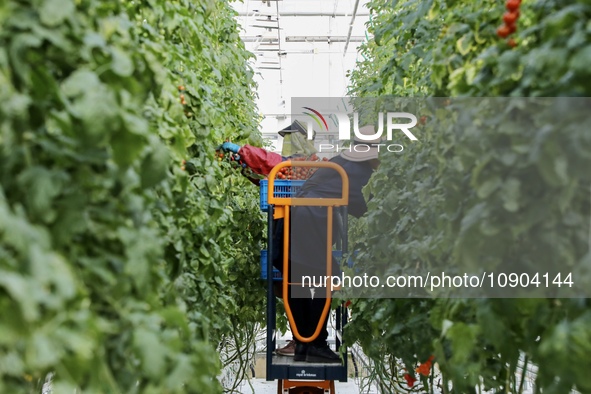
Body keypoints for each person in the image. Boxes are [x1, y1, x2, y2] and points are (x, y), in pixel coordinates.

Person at [219, 125, 380, 363]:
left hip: (290, 225)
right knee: (320, 282)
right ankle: (314, 344)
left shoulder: (339, 163)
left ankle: (306, 345)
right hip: (310, 227)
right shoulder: (359, 174)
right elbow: (366, 209)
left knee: (300, 284)